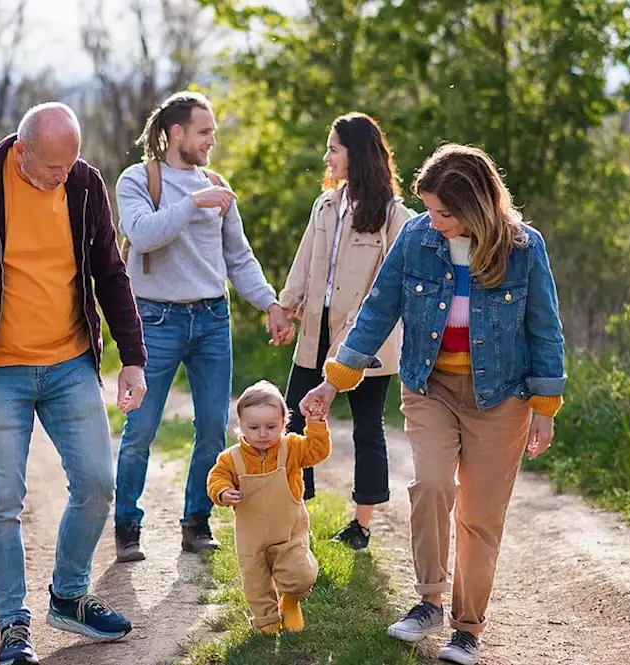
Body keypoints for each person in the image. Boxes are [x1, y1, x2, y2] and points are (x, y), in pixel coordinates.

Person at [300, 143, 566, 665]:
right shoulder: (417, 238)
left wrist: (544, 407)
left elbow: (545, 328)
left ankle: (467, 629)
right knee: (433, 485)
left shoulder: (524, 247)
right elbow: (378, 309)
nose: (434, 220)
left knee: (481, 515)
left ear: (477, 205)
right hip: (431, 386)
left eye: (444, 211)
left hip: (503, 397)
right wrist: (334, 381)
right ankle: (427, 601)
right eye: (430, 208)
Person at [0, 102, 148, 665]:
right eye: (50, 168)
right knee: (1, 502)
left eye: (69, 164)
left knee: (97, 483)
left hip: (69, 362)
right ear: (21, 152)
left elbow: (110, 275)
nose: (60, 177)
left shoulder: (84, 185)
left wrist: (133, 357)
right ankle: (12, 624)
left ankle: (69, 597)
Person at [112, 91, 294, 562]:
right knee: (141, 428)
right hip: (155, 319)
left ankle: (197, 521)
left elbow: (239, 257)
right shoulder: (138, 180)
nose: (212, 140)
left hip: (212, 318)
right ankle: (127, 525)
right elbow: (144, 234)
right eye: (204, 131)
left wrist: (270, 303)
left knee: (213, 427)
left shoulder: (217, 184)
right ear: (176, 134)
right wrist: (194, 203)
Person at [277, 112, 413, 550]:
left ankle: (362, 524)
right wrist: (286, 305)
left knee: (366, 428)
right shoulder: (326, 205)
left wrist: (354, 336)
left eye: (334, 148)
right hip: (315, 331)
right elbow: (304, 261)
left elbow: (387, 285)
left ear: (357, 153)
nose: (327, 156)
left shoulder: (396, 216)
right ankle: (297, 510)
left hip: (367, 341)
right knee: (296, 417)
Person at [206, 380, 330, 634]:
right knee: (255, 581)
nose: (263, 433)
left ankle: (292, 600)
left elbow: (318, 451)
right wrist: (222, 492)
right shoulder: (231, 458)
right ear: (240, 426)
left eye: (271, 427)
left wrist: (316, 424)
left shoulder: (292, 448)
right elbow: (216, 479)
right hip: (251, 537)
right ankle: (266, 622)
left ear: (284, 424)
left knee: (300, 575)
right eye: (254, 427)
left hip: (288, 532)